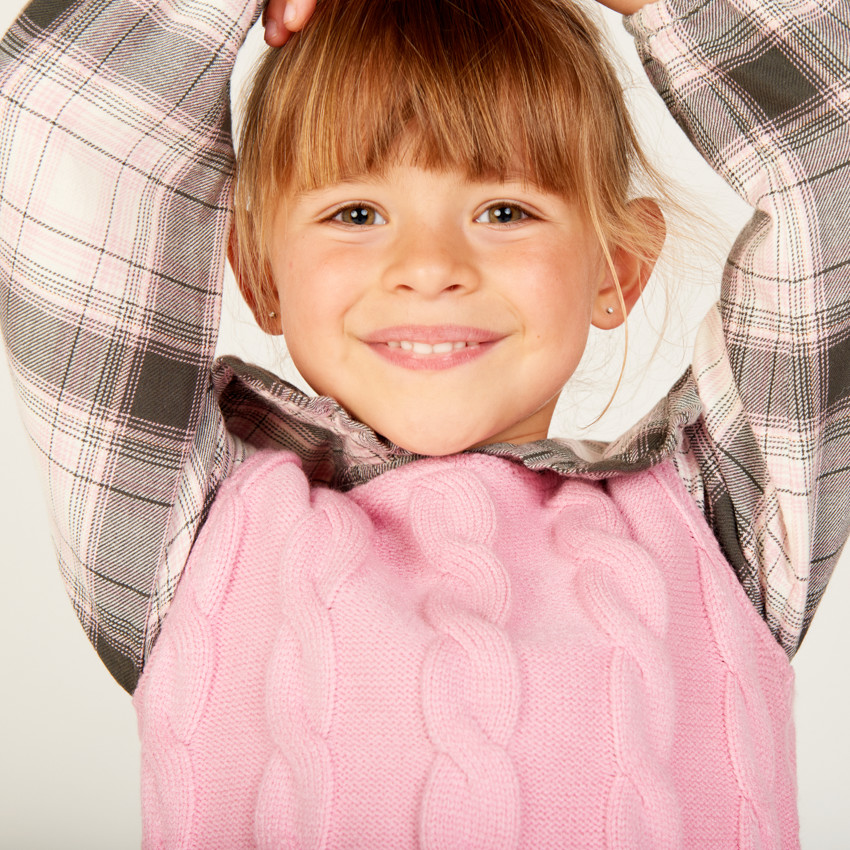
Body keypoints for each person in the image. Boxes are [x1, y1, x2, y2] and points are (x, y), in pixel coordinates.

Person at [0, 0, 847, 845]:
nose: (430, 268)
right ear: (259, 268)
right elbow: (59, 133)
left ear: (617, 270)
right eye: (356, 214)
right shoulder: (181, 535)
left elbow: (827, 166)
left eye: (504, 212)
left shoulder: (726, 526)